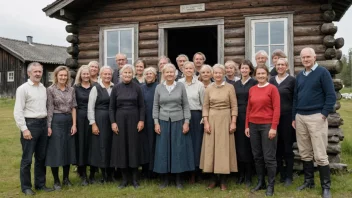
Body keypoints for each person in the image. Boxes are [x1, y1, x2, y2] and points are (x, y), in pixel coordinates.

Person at [292, 48, 335, 198]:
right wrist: (294, 117)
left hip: (317, 117)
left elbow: (331, 95)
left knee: (320, 154)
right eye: (303, 57)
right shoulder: (300, 76)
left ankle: (326, 187)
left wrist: (324, 114)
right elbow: (295, 98)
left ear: (314, 57)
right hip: (300, 117)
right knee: (304, 152)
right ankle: (309, 181)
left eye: (308, 56)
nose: (306, 59)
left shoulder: (323, 73)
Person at [14, 62, 53, 196]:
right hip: (30, 125)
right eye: (35, 71)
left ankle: (40, 184)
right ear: (29, 73)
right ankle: (26, 187)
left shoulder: (43, 88)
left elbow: (46, 109)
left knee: (41, 157)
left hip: (43, 125)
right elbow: (18, 111)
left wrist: (47, 126)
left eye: (39, 71)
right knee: (27, 159)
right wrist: (24, 129)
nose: (38, 74)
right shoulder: (23, 89)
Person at [153, 63, 194, 189]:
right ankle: (165, 179)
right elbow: (155, 106)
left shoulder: (180, 86)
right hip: (163, 121)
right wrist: (156, 122)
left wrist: (186, 122)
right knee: (163, 150)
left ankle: (178, 180)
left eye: (172, 72)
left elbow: (186, 105)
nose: (170, 74)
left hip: (178, 121)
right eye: (167, 72)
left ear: (175, 73)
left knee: (178, 150)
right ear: (163, 74)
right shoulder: (159, 87)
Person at [200, 64, 238, 191]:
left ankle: (223, 180)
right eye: (215, 73)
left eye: (220, 73)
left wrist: (233, 122)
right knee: (211, 149)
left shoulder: (230, 87)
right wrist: (206, 122)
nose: (217, 75)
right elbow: (205, 106)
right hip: (212, 118)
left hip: (225, 119)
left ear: (223, 74)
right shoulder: (209, 88)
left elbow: (234, 106)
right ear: (212, 74)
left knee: (223, 149)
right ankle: (213, 179)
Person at [245, 65, 280, 196]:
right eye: (258, 74)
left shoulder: (272, 89)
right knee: (257, 156)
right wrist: (246, 126)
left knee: (269, 157)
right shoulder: (252, 89)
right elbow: (249, 108)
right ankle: (261, 182)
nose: (260, 76)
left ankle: (271, 185)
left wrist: (273, 127)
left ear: (267, 75)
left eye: (263, 73)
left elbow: (277, 109)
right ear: (255, 75)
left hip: (267, 126)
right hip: (253, 125)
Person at [109, 64, 145, 189]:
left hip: (134, 120)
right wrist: (113, 122)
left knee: (133, 148)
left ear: (133, 74)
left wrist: (141, 120)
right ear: (121, 74)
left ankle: (135, 180)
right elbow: (111, 107)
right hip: (119, 121)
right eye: (125, 73)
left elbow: (142, 106)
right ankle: (124, 180)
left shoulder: (137, 88)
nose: (128, 75)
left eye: (130, 72)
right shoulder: (116, 88)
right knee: (122, 149)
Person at [46, 66, 77, 190]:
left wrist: (74, 124)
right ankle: (56, 181)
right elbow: (50, 108)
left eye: (65, 75)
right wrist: (49, 126)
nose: (63, 77)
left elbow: (74, 107)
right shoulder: (50, 90)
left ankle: (66, 178)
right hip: (56, 121)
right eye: (61, 75)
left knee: (67, 150)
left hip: (69, 121)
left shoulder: (72, 89)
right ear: (56, 76)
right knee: (56, 151)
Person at [269, 58, 296, 186]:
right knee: (277, 147)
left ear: (287, 66)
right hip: (274, 118)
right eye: (278, 64)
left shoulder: (292, 80)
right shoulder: (272, 80)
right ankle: (281, 173)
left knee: (287, 147)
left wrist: (294, 118)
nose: (280, 67)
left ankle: (289, 176)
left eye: (282, 65)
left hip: (287, 117)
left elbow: (295, 99)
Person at [178, 61, 205, 183]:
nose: (188, 70)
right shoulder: (178, 83)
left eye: (191, 68)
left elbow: (204, 103)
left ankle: (195, 172)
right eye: (186, 68)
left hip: (195, 116)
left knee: (196, 144)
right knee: (183, 144)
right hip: (181, 116)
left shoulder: (199, 85)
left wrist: (204, 118)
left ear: (194, 70)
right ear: (182, 70)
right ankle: (184, 171)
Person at [87, 66, 114, 183]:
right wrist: (93, 123)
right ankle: (99, 174)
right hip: (99, 119)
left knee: (110, 146)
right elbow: (90, 107)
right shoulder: (96, 88)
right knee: (99, 146)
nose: (107, 76)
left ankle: (109, 173)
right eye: (105, 74)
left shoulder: (114, 87)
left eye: (109, 74)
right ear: (101, 75)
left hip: (111, 120)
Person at [234, 60, 257, 187]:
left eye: (246, 68)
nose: (244, 70)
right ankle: (240, 174)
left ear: (250, 70)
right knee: (239, 146)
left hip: (250, 116)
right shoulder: (236, 84)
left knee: (248, 146)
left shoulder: (254, 83)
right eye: (242, 68)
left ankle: (249, 176)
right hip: (237, 117)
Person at [73, 65, 96, 186]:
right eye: (84, 74)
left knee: (92, 144)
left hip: (92, 119)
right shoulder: (76, 88)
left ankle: (92, 173)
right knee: (81, 145)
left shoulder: (95, 87)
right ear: (80, 75)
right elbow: (74, 107)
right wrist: (74, 124)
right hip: (81, 118)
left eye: (88, 74)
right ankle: (83, 174)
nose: (86, 76)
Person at [140, 67, 158, 178]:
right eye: (147, 74)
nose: (149, 75)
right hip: (143, 119)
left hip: (155, 120)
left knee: (154, 144)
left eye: (151, 73)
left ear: (155, 76)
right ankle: (145, 169)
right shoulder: (141, 88)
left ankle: (154, 170)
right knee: (144, 145)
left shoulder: (159, 87)